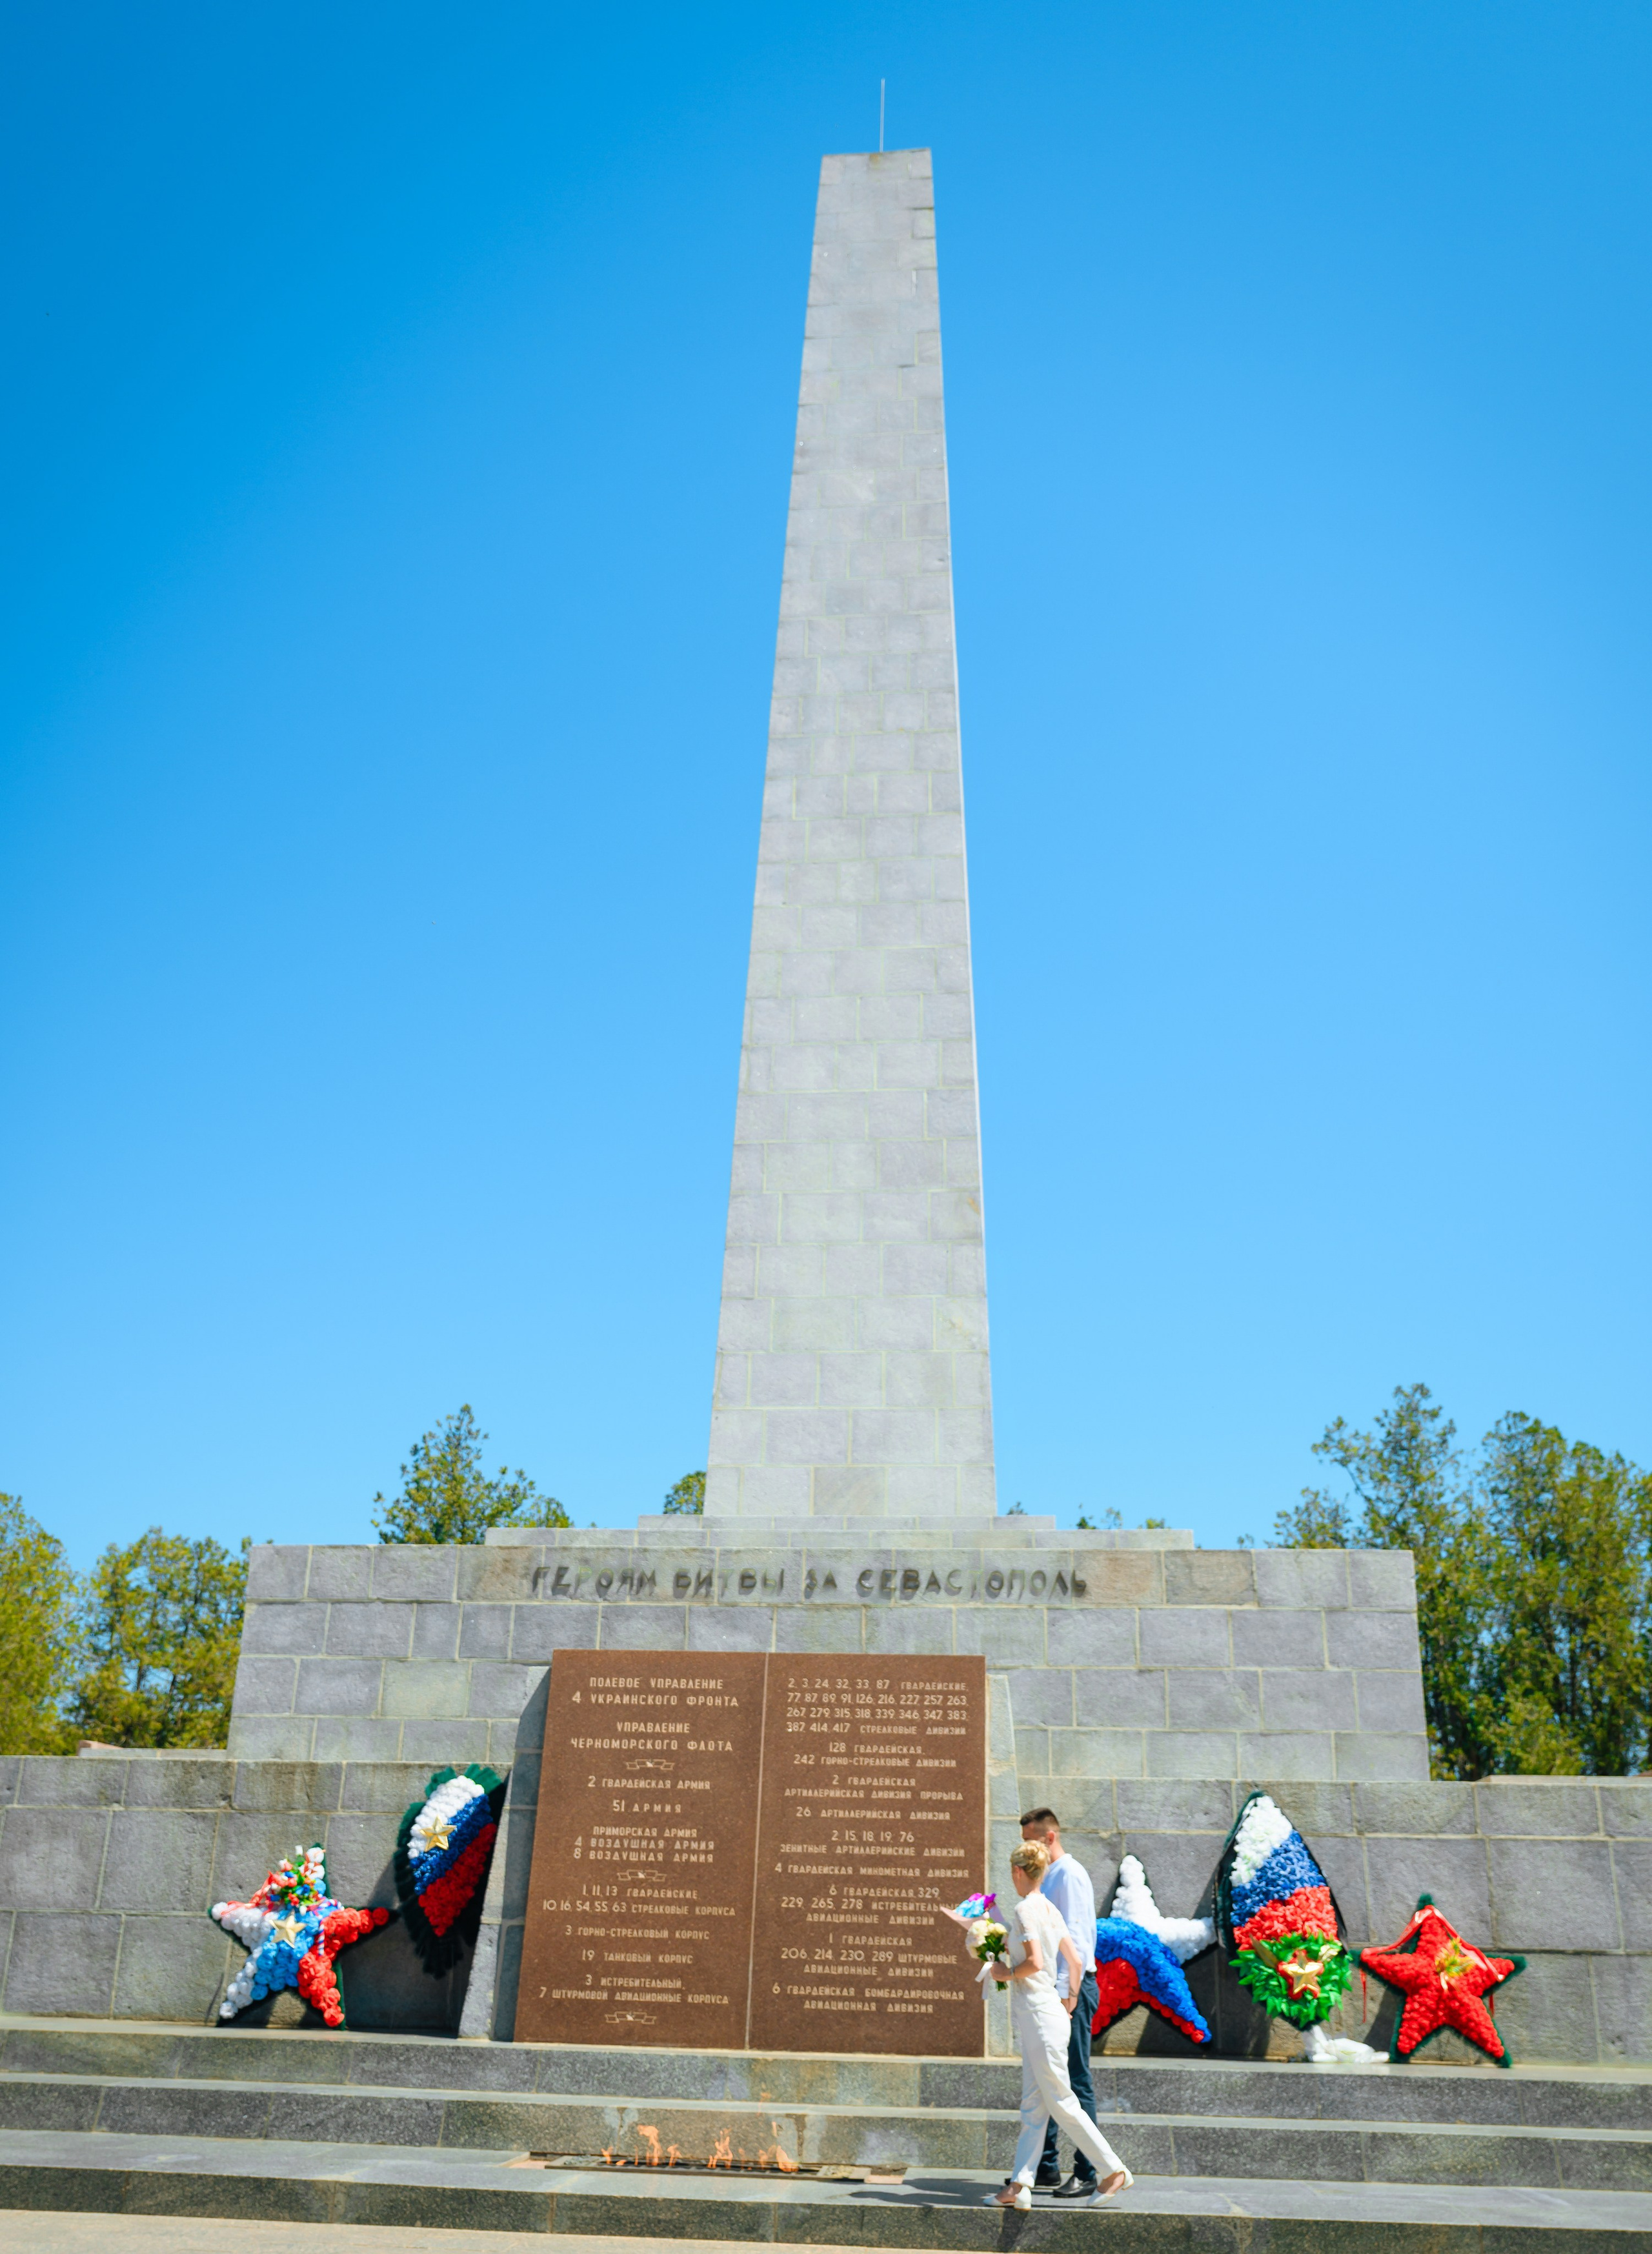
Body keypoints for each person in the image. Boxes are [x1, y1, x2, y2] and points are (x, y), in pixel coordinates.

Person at [966, 1839, 1133, 2209]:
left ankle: (1112, 2170)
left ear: (1017, 1872)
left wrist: (1004, 1972)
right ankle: (1021, 2184)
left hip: (1040, 2017)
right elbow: (1074, 1960)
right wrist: (1069, 2001)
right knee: (1034, 2104)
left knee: (1060, 2100)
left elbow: (1037, 1963)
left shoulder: (1025, 1909)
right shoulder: (1049, 1908)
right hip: (1050, 2015)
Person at [1019, 1806, 1100, 2195]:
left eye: (1030, 1841)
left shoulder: (1070, 1875)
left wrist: (1068, 1995)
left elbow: (1078, 1941)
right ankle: (1046, 2166)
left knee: (1077, 2080)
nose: (1025, 1851)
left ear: (1049, 1838)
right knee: (1050, 2078)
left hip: (1072, 1991)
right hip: (1054, 1990)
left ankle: (1088, 2172)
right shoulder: (1050, 1878)